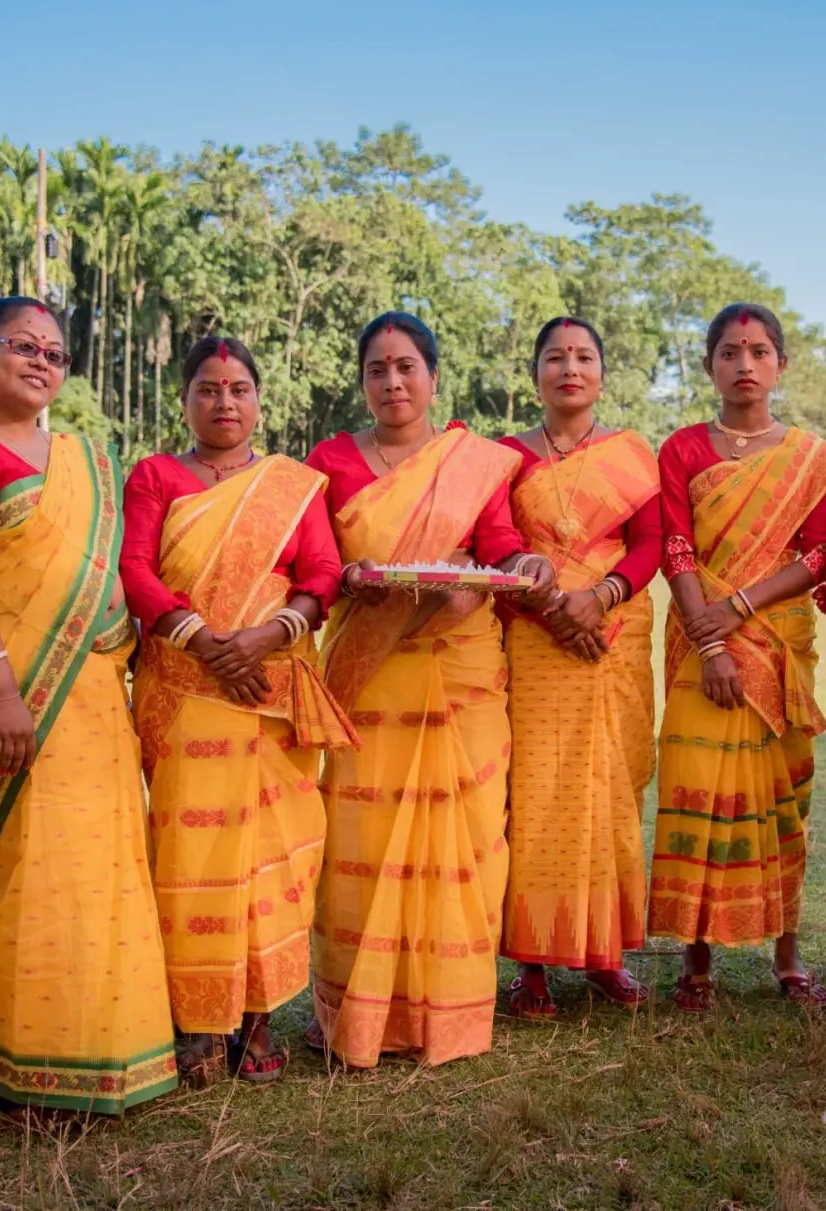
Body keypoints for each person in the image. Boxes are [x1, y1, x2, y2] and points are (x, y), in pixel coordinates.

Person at [0, 297, 177, 1112]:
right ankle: (19, 1070)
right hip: (19, 693)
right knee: (34, 869)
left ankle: (112, 1051)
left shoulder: (86, 457)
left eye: (54, 352)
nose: (39, 360)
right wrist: (0, 689)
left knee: (105, 866)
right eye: (21, 345)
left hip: (98, 692)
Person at [304, 311, 556, 1067]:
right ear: (362, 381)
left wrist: (527, 566)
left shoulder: (468, 460)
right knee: (361, 836)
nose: (392, 382)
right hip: (370, 667)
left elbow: (500, 546)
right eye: (377, 370)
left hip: (458, 664)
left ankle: (448, 1008)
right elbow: (319, 562)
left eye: (406, 367)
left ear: (433, 376)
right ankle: (358, 1011)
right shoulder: (331, 459)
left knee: (470, 832)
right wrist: (347, 577)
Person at [122, 335, 354, 1083]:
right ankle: (196, 1021)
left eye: (238, 388)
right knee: (192, 856)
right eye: (208, 388)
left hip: (271, 694)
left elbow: (321, 570)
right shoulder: (156, 474)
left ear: (259, 399)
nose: (224, 401)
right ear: (184, 399)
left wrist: (259, 637)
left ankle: (255, 1017)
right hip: (185, 692)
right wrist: (202, 640)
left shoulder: (293, 484)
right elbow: (135, 566)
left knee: (274, 852)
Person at [648, 302, 826, 1012]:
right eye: (729, 353)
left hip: (773, 642)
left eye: (759, 351)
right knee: (695, 802)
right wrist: (709, 642)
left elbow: (822, 554)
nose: (744, 365)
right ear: (708, 366)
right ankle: (695, 960)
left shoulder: (807, 458)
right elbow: (675, 545)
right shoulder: (681, 449)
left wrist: (735, 612)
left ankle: (788, 957)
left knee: (780, 805)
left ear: (780, 365)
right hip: (696, 644)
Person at [496, 316, 661, 1017]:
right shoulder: (502, 455)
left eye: (584, 356)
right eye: (554, 356)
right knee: (534, 794)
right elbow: (495, 540)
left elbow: (650, 542)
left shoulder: (629, 453)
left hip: (613, 634)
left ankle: (603, 954)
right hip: (533, 640)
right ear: (533, 372)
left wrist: (597, 598)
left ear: (601, 371)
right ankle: (531, 961)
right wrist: (551, 610)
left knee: (608, 794)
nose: (570, 367)